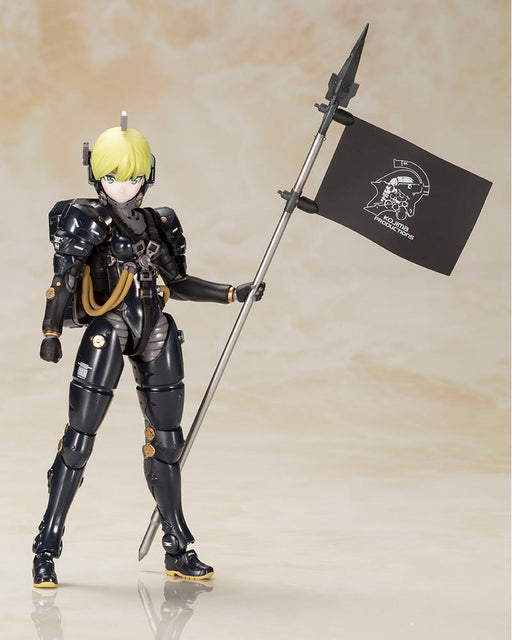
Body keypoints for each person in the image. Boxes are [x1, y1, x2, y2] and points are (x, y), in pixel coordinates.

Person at [32, 118, 264, 588]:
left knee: (168, 443)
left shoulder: (158, 223)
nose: (124, 186)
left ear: (148, 176)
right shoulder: (86, 219)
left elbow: (178, 282)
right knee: (78, 441)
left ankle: (177, 546)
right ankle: (46, 547)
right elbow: (64, 280)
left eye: (134, 176)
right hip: (110, 328)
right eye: (113, 176)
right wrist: (51, 331)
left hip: (155, 328)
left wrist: (231, 293)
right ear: (97, 176)